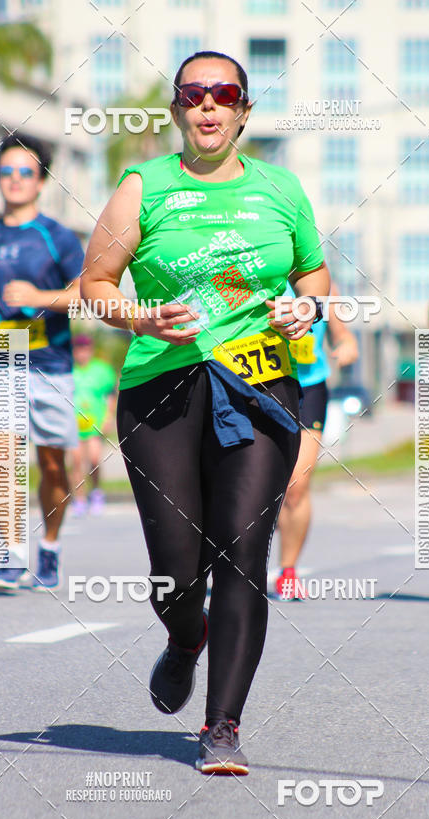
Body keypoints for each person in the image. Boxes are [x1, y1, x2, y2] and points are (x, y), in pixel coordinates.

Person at [81, 50, 329, 775]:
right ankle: (186, 637)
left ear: (244, 110)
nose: (209, 107)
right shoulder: (145, 186)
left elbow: (313, 274)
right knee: (176, 569)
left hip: (257, 385)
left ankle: (222, 726)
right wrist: (140, 318)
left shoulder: (281, 190)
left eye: (224, 95)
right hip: (162, 387)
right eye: (195, 95)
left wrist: (304, 309)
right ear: (178, 112)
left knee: (241, 551)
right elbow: (95, 282)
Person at [0, 132, 84, 593]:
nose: (14, 180)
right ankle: (10, 556)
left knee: (53, 464)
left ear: (41, 181)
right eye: (7, 172)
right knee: (6, 458)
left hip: (51, 362)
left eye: (25, 173)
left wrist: (39, 298)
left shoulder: (58, 238)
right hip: (3, 357)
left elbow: (85, 296)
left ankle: (49, 547)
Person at [275, 284, 359, 601]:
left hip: (309, 385)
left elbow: (339, 328)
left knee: (296, 487)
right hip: (257, 382)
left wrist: (346, 341)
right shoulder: (256, 264)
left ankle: (288, 571)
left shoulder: (316, 277)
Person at [70, 333, 117, 515]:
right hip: (74, 424)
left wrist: (108, 417)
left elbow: (111, 394)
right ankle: (79, 498)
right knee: (76, 462)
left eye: (85, 349)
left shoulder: (102, 370)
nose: (82, 353)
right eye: (78, 350)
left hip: (94, 423)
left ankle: (96, 492)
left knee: (95, 459)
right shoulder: (69, 369)